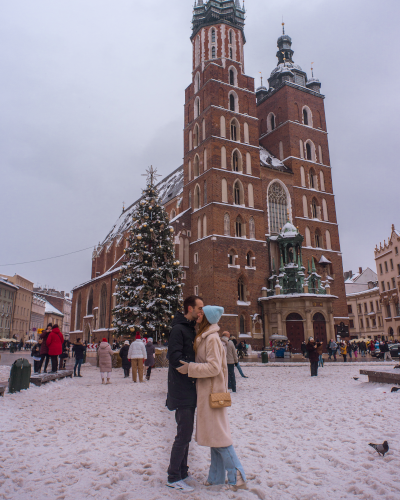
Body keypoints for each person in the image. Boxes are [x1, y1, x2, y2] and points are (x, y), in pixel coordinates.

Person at [177, 305, 247, 490]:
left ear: (207, 317)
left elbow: (214, 367)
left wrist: (190, 368)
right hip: (207, 392)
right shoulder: (207, 336)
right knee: (215, 438)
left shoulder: (213, 339)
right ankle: (216, 477)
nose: (198, 314)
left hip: (212, 393)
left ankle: (237, 475)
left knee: (220, 438)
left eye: (202, 313)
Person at [166, 295, 204, 492]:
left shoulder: (189, 328)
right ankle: (173, 476)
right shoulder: (179, 329)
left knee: (186, 433)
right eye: (199, 308)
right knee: (183, 434)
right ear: (189, 308)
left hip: (189, 387)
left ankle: (182, 472)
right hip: (181, 388)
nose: (201, 312)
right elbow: (174, 357)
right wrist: (192, 369)